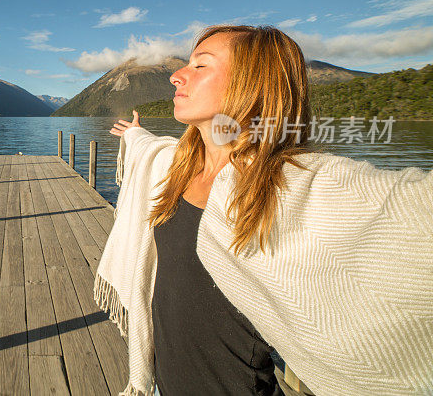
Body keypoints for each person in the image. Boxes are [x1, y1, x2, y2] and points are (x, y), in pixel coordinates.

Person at [95, 25, 433, 396]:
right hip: (163, 382)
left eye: (200, 66)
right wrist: (134, 136)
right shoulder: (180, 167)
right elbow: (151, 148)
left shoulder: (286, 188)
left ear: (252, 85)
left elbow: (412, 214)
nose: (176, 75)